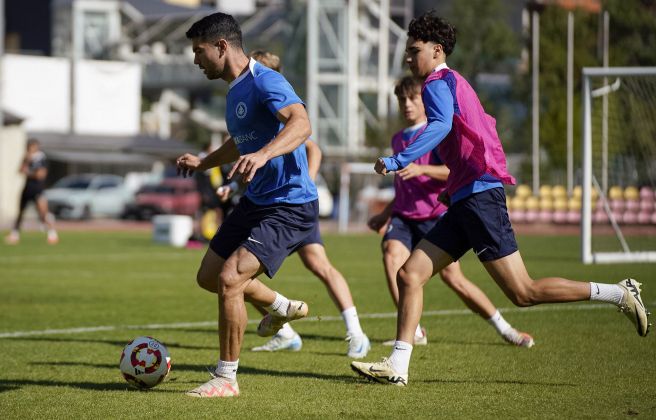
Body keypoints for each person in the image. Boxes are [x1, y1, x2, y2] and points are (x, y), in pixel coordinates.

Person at [351, 11, 650, 387]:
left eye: (414, 51)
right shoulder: (456, 81)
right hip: (467, 198)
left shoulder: (436, 83)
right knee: (410, 274)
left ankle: (619, 293)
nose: (408, 58)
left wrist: (399, 160)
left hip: (478, 199)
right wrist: (456, 180)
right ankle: (399, 365)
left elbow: (440, 125)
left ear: (437, 50)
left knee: (523, 292)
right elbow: (479, 128)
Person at [176, 12, 318, 398]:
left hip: (289, 204)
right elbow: (239, 141)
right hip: (258, 201)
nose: (195, 60)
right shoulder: (236, 88)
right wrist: (204, 162)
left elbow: (302, 124)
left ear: (221, 46)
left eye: (199, 51)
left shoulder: (265, 80)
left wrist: (264, 154)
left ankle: (226, 379)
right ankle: (281, 305)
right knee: (208, 276)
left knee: (230, 279)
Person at [217, 49, 367, 358]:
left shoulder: (276, 100)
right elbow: (245, 148)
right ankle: (284, 329)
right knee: (237, 276)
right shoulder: (256, 110)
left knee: (319, 266)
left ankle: (356, 333)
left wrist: (309, 179)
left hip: (293, 204)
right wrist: (231, 184)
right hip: (265, 203)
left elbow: (312, 147)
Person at [368, 75, 533, 348]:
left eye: (412, 98)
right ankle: (414, 332)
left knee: (454, 279)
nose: (407, 104)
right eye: (401, 100)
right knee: (392, 256)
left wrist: (421, 169)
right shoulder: (398, 138)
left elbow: (453, 172)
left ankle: (504, 328)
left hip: (435, 214)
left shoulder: (435, 133)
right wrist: (386, 214)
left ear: (425, 101)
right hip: (404, 216)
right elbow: (403, 186)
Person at [5, 138, 58, 245]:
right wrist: (27, 161)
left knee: (43, 213)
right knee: (20, 213)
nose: (31, 148)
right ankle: (15, 235)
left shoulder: (41, 158)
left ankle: (52, 235)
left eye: (32, 146)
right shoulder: (27, 158)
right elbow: (20, 170)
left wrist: (28, 172)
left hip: (37, 189)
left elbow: (40, 175)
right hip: (27, 188)